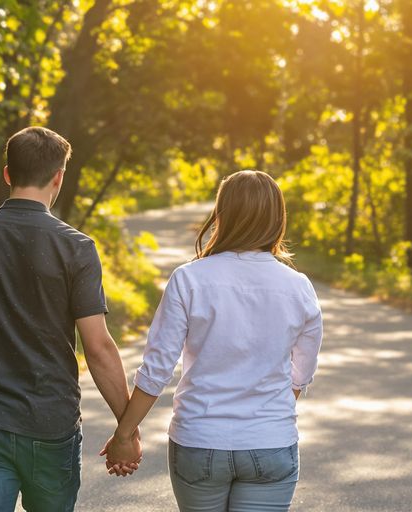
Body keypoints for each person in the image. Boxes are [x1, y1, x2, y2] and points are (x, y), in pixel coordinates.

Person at [0, 126, 136, 512]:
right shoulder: (76, 247)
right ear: (58, 176)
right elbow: (99, 347)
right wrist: (127, 427)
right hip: (51, 424)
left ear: (7, 174)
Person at [102, 170, 323, 511]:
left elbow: (157, 369)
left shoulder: (189, 279)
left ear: (221, 215)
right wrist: (264, 416)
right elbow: (301, 375)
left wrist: (125, 434)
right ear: (278, 219)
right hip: (270, 444)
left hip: (200, 442)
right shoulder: (299, 287)